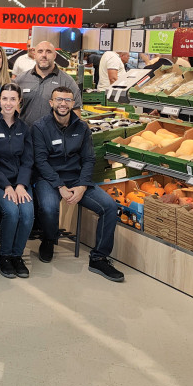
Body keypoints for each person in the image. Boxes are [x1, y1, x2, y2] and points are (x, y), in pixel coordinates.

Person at [32, 86, 124, 282]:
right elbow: (41, 162)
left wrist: (82, 185)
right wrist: (60, 186)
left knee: (109, 207)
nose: (63, 104)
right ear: (51, 103)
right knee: (48, 207)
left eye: (67, 100)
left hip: (76, 179)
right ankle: (48, 239)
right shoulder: (40, 127)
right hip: (49, 179)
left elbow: (89, 159)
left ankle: (99, 258)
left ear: (73, 104)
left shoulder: (82, 128)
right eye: (59, 100)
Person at [0, 83, 34, 279]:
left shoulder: (25, 128)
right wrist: (7, 185)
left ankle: (17, 255)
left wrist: (21, 185)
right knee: (12, 212)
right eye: (5, 98)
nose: (8, 103)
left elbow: (28, 159)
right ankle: (5, 256)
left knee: (28, 213)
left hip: (21, 182)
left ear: (19, 102)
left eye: (12, 99)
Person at [17, 41, 82, 126]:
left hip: (54, 137)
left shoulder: (67, 81)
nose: (44, 55)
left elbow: (76, 112)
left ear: (54, 56)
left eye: (48, 51)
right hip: (26, 136)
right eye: (40, 51)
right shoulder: (21, 80)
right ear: (35, 55)